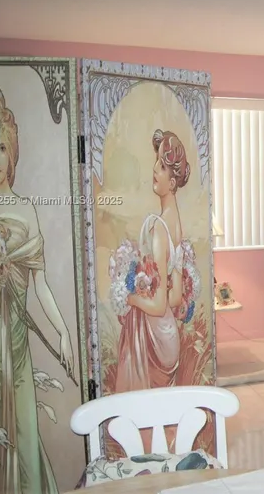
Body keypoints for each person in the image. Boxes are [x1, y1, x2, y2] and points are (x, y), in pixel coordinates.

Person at [0, 87, 75, 494]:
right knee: (4, 452)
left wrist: (63, 331)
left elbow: (40, 285)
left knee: (25, 446)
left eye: (2, 148)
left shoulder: (27, 208)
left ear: (13, 152)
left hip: (18, 349)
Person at [114, 129, 191, 392]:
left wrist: (131, 299)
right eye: (156, 162)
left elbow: (158, 306)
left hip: (156, 341)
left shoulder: (159, 227)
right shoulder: (176, 226)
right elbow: (175, 297)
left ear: (173, 182)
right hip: (170, 342)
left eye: (162, 166)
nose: (155, 169)